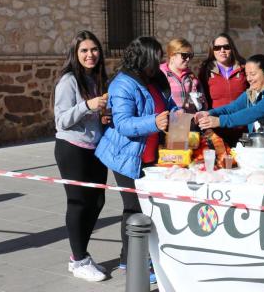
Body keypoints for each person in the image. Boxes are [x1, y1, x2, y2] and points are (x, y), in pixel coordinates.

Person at [95, 36, 175, 281]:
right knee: (134, 208)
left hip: (150, 155)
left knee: (146, 208)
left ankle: (127, 257)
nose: (160, 61)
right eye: (156, 57)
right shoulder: (123, 84)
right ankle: (133, 263)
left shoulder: (154, 79)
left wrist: (177, 114)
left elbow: (166, 104)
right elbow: (123, 123)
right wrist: (154, 121)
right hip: (126, 156)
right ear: (143, 58)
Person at [53, 30, 109, 282]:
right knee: (78, 204)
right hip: (72, 149)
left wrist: (103, 115)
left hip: (95, 148)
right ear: (75, 54)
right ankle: (79, 259)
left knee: (97, 202)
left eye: (94, 49)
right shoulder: (69, 80)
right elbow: (61, 120)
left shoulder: (95, 77)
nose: (90, 55)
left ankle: (79, 256)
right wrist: (88, 105)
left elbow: (95, 113)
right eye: (84, 50)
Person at [199, 33, 248, 146]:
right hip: (217, 127)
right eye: (217, 48)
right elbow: (203, 98)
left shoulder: (244, 67)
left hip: (242, 125)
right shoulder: (206, 70)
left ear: (232, 48)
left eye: (226, 47)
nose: (222, 50)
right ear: (213, 50)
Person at [160, 38, 206, 112]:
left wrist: (200, 102)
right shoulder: (160, 75)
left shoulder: (192, 77)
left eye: (190, 55)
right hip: (170, 121)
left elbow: (203, 106)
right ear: (172, 55)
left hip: (189, 121)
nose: (188, 59)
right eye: (184, 55)